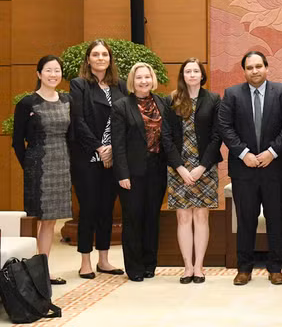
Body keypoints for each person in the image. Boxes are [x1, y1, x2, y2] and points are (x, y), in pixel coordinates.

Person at [218, 51, 282, 286]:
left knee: (275, 219)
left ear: (267, 67)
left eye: (258, 66)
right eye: (249, 67)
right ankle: (244, 268)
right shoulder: (232, 94)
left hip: (277, 169)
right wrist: (244, 154)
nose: (254, 71)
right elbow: (225, 126)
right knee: (246, 220)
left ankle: (275, 267)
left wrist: (272, 152)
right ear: (244, 71)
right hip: (245, 170)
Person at [12, 55, 72, 285]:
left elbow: (72, 134)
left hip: (62, 164)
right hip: (38, 166)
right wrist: (29, 165)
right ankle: (29, 273)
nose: (53, 74)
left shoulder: (67, 100)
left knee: (50, 222)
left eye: (57, 70)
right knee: (36, 218)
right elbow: (18, 142)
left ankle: (43, 272)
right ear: (39, 74)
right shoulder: (27, 103)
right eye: (48, 70)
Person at [162, 59, 222, 284]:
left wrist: (201, 167)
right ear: (182, 75)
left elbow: (218, 136)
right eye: (188, 71)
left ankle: (199, 267)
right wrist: (180, 167)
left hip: (205, 167)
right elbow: (166, 137)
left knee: (201, 215)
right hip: (178, 167)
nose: (192, 74)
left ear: (202, 75)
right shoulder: (172, 99)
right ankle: (187, 266)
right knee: (183, 216)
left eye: (196, 71)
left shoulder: (213, 99)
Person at [70, 39, 126, 279]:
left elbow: (125, 120)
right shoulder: (79, 84)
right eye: (96, 54)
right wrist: (99, 147)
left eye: (105, 54)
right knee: (89, 208)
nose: (101, 58)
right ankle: (85, 260)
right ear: (88, 59)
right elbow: (77, 120)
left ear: (110, 59)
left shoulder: (120, 86)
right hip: (87, 157)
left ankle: (104, 259)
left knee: (106, 209)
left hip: (113, 156)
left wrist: (113, 148)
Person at [111, 62, 168, 282]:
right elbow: (118, 144)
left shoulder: (162, 102)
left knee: (152, 218)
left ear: (152, 79)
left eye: (147, 77)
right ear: (132, 81)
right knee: (133, 219)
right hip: (132, 173)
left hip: (157, 171)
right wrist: (122, 174)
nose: (143, 81)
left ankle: (149, 264)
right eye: (139, 78)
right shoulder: (121, 106)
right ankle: (134, 267)